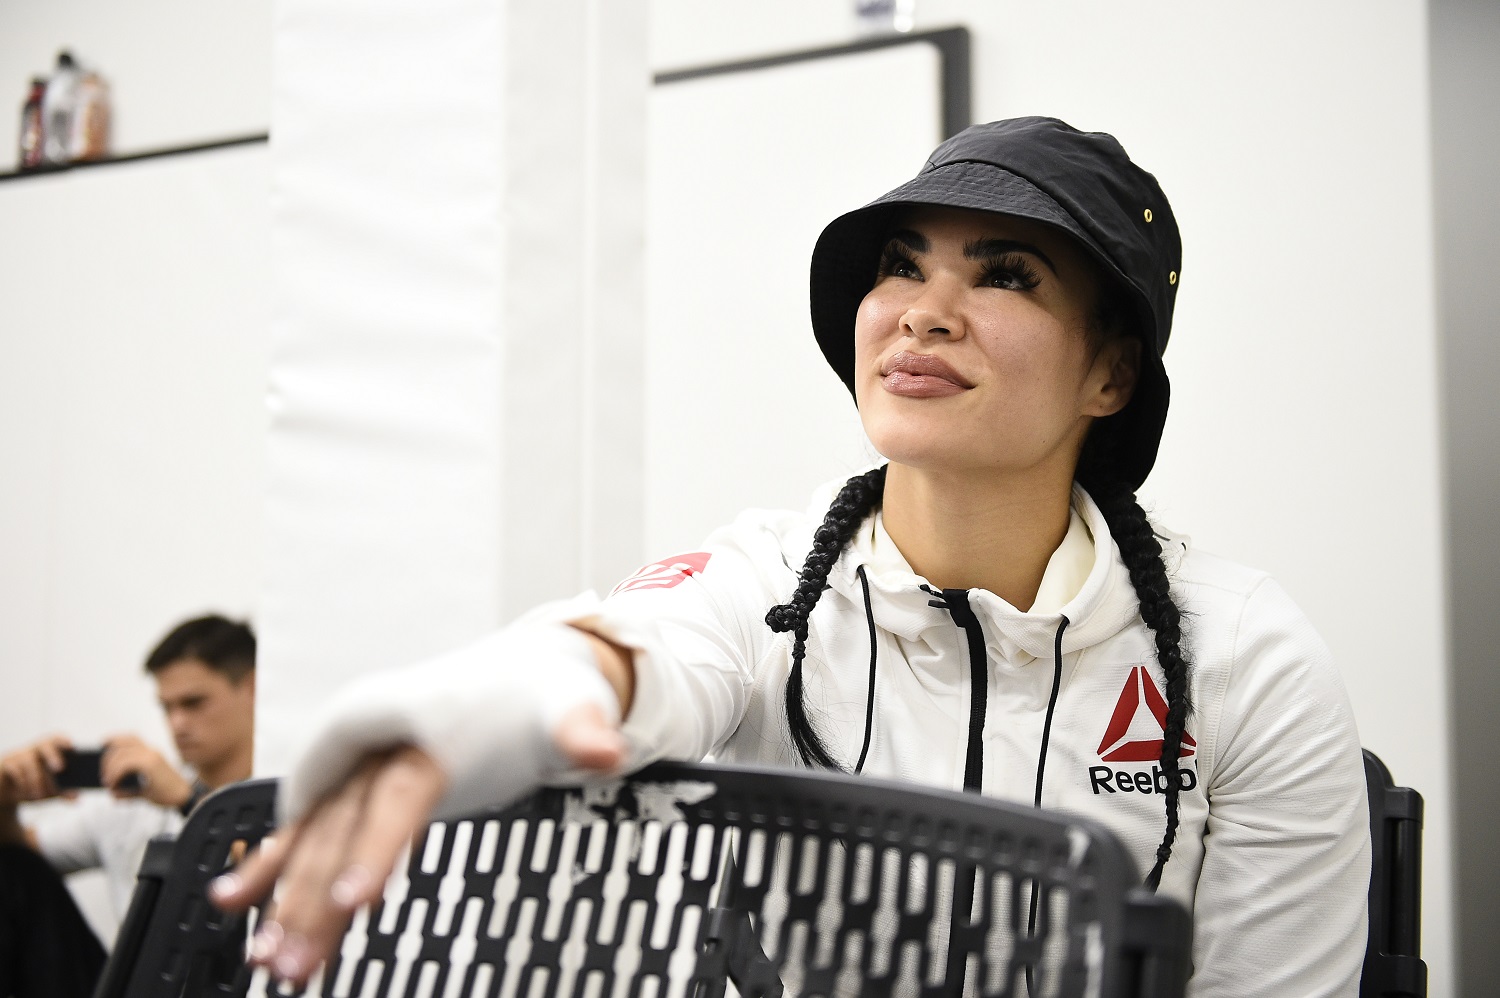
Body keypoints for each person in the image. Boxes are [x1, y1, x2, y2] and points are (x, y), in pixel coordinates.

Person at [215, 118, 1371, 997]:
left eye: (1005, 274)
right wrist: (480, 707)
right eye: (903, 264)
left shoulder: (1244, 653)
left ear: (1109, 377)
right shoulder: (771, 583)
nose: (923, 310)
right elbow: (634, 651)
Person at [0, 614, 256, 998]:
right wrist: (5, 800)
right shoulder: (134, 805)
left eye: (193, 702)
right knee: (11, 870)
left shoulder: (290, 794)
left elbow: (278, 882)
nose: (178, 723)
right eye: (166, 708)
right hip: (131, 989)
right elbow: (22, 866)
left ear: (251, 687)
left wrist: (188, 801)